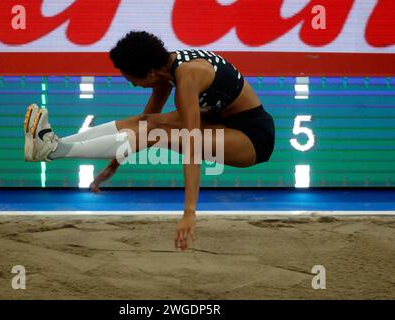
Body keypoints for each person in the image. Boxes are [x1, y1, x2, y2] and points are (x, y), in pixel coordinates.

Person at [24, 31, 275, 251]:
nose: (133, 84)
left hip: (253, 137)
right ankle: (55, 144)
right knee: (147, 121)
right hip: (223, 120)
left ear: (151, 72)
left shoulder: (187, 77)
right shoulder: (167, 69)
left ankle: (55, 150)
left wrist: (189, 213)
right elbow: (144, 124)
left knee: (162, 134)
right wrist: (113, 166)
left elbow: (191, 147)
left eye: (133, 79)